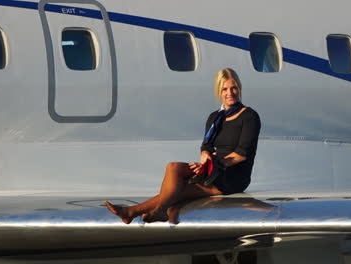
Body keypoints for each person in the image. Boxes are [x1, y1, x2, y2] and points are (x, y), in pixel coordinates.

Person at [105, 68, 261, 224]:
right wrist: (205, 157)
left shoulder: (249, 116)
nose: (230, 93)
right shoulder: (215, 117)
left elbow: (241, 154)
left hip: (233, 177)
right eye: (225, 89)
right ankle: (141, 212)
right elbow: (206, 145)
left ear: (239, 88)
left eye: (233, 88)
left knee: (180, 190)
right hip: (212, 169)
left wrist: (211, 164)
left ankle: (140, 211)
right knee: (173, 167)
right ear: (219, 92)